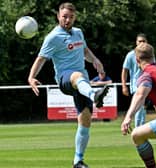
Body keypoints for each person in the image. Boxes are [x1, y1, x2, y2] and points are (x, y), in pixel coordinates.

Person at [28, 2, 109, 168]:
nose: (67, 19)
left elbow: (84, 51)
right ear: (58, 16)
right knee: (77, 75)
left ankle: (77, 161)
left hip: (82, 83)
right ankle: (95, 95)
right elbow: (41, 58)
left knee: (85, 119)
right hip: (65, 79)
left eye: (71, 17)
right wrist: (31, 77)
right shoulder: (53, 37)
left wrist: (95, 61)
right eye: (64, 16)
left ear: (75, 18)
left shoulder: (78, 33)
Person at [121, 42, 156, 168]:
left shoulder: (147, 74)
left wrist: (128, 117)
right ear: (153, 57)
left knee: (137, 135)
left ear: (137, 60)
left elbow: (140, 95)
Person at [121, 33, 148, 127]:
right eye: (140, 41)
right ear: (136, 42)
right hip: (136, 85)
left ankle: (141, 132)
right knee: (139, 108)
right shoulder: (131, 55)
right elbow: (125, 71)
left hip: (147, 84)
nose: (141, 43)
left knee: (143, 109)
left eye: (143, 41)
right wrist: (124, 86)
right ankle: (138, 132)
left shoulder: (148, 54)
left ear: (147, 42)